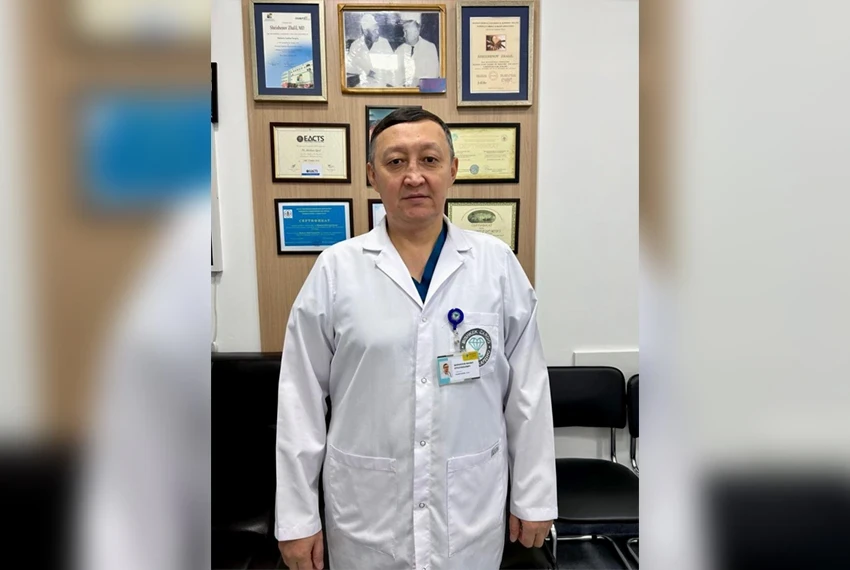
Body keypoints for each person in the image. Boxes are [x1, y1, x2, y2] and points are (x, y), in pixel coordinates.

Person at [275, 108, 557, 570]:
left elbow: (528, 391)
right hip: (366, 509)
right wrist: (296, 519)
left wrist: (535, 496)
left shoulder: (496, 265)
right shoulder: (336, 269)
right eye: (395, 162)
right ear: (372, 175)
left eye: (429, 159)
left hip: (468, 506)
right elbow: (299, 400)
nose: (414, 176)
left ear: (453, 169)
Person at [345, 13, 398, 87]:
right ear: (366, 32)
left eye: (377, 30)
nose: (378, 33)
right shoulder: (355, 45)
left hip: (381, 86)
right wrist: (367, 71)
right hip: (361, 86)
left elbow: (392, 69)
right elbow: (349, 68)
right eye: (374, 31)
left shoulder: (384, 43)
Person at [394, 14, 440, 87]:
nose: (404, 35)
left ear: (416, 33)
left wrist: (415, 82)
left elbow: (433, 75)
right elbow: (395, 76)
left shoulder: (429, 48)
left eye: (406, 32)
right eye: (403, 32)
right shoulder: (399, 50)